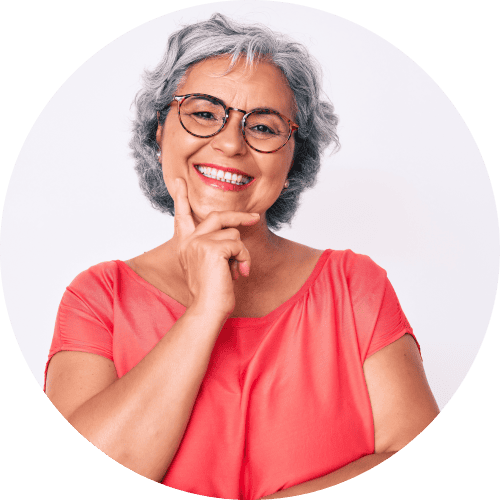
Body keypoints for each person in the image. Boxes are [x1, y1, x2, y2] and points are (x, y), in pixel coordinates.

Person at [44, 13, 439, 500]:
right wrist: (205, 311)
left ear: (294, 158)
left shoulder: (354, 286)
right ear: (159, 131)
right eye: (204, 113)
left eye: (265, 127)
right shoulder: (99, 298)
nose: (231, 143)